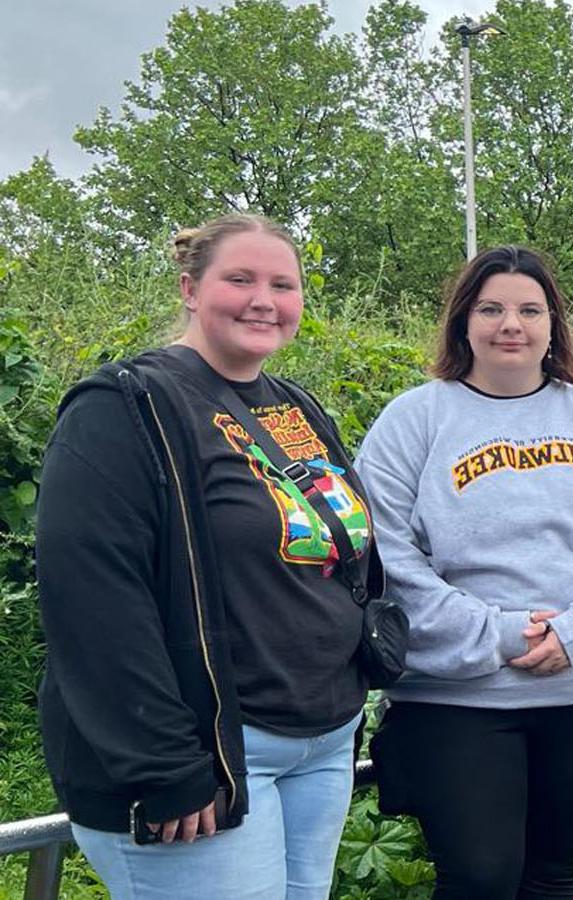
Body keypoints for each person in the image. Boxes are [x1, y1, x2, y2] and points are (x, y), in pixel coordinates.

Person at [37, 213, 379, 898]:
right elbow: (95, 600)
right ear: (191, 288)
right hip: (209, 753)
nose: (264, 300)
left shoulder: (295, 406)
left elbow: (349, 555)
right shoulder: (124, 405)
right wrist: (164, 765)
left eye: (284, 284)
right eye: (241, 279)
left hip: (321, 739)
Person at [354, 247, 573, 897]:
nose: (511, 324)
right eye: (491, 308)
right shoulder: (412, 421)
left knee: (556, 878)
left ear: (553, 325)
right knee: (479, 878)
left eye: (530, 309)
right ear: (462, 321)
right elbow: (382, 552)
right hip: (455, 701)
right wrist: (496, 631)